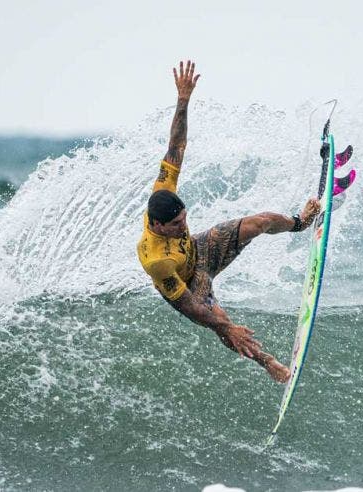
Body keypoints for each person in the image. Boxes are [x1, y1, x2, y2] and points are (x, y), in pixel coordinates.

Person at [136, 60, 320, 383]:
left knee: (258, 222)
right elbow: (191, 307)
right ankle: (270, 365)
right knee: (220, 320)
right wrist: (224, 327)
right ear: (158, 226)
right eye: (177, 225)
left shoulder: (163, 189)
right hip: (190, 282)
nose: (183, 225)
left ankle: (300, 222)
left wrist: (183, 100)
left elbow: (176, 145)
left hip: (202, 249)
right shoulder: (157, 261)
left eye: (184, 218)